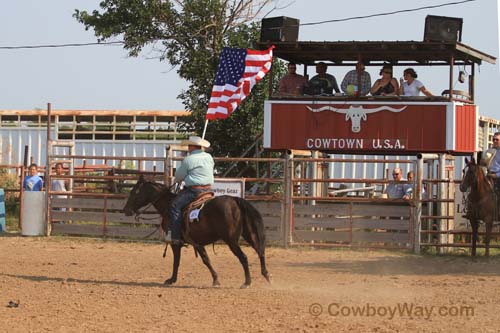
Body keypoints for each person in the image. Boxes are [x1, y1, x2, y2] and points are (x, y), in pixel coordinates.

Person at [168, 136, 214, 244]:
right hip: (208, 190)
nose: (188, 148)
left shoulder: (188, 159)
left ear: (193, 147)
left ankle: (175, 237)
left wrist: (184, 177)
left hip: (194, 191)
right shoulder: (209, 157)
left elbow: (178, 177)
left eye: (189, 145)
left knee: (175, 206)